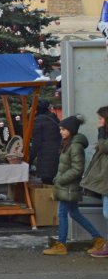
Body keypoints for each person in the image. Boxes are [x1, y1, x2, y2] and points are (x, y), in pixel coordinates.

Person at [42, 116, 104, 256]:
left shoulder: (75, 146)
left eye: (64, 129)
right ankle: (98, 238)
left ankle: (61, 245)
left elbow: (77, 169)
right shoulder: (68, 143)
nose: (61, 132)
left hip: (68, 186)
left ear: (72, 129)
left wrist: (61, 180)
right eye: (60, 129)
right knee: (74, 213)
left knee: (62, 213)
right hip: (66, 185)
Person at [82, 106, 108, 258]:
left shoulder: (104, 136)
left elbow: (105, 147)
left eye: (100, 118)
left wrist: (101, 132)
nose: (98, 121)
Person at [30, 99, 62, 185]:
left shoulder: (39, 121)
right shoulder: (54, 118)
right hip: (57, 156)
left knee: (47, 186)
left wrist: (29, 159)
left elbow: (36, 143)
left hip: (46, 159)